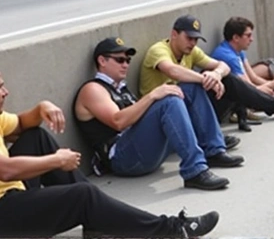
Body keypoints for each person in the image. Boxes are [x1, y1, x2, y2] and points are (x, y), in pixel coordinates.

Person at [0, 73, 219, 238]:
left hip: (12, 194)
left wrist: (41, 108)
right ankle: (172, 230)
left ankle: (96, 219)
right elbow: (6, 170)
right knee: (83, 195)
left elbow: (20, 124)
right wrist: (56, 160)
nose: (5, 92)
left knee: (36, 135)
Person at [74, 37, 238, 191]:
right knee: (169, 101)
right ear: (102, 61)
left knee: (190, 88)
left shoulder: (121, 89)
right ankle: (194, 171)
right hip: (123, 159)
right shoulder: (93, 89)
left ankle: (213, 150)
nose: (125, 65)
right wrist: (153, 95)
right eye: (120, 60)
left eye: (128, 60)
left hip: (141, 148)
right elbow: (118, 121)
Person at [139, 15, 274, 126]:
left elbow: (224, 66)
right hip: (159, 113)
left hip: (184, 108)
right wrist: (205, 78)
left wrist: (216, 74)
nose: (192, 43)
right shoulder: (159, 50)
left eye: (196, 39)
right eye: (188, 38)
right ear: (174, 34)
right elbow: (173, 71)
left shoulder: (191, 51)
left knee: (226, 78)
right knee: (197, 85)